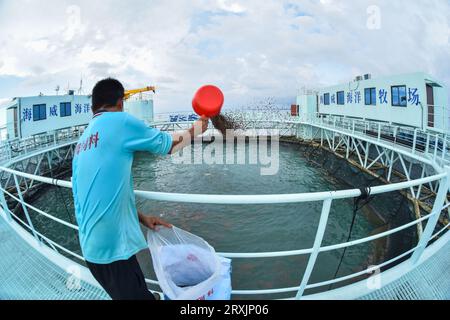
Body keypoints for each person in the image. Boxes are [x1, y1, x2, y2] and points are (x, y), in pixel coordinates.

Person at [72, 78, 209, 300]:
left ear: (92, 107)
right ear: (120, 102)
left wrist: (141, 217)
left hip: (93, 249)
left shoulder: (83, 141)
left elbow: (97, 193)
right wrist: (196, 130)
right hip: (112, 250)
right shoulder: (120, 121)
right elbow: (169, 145)